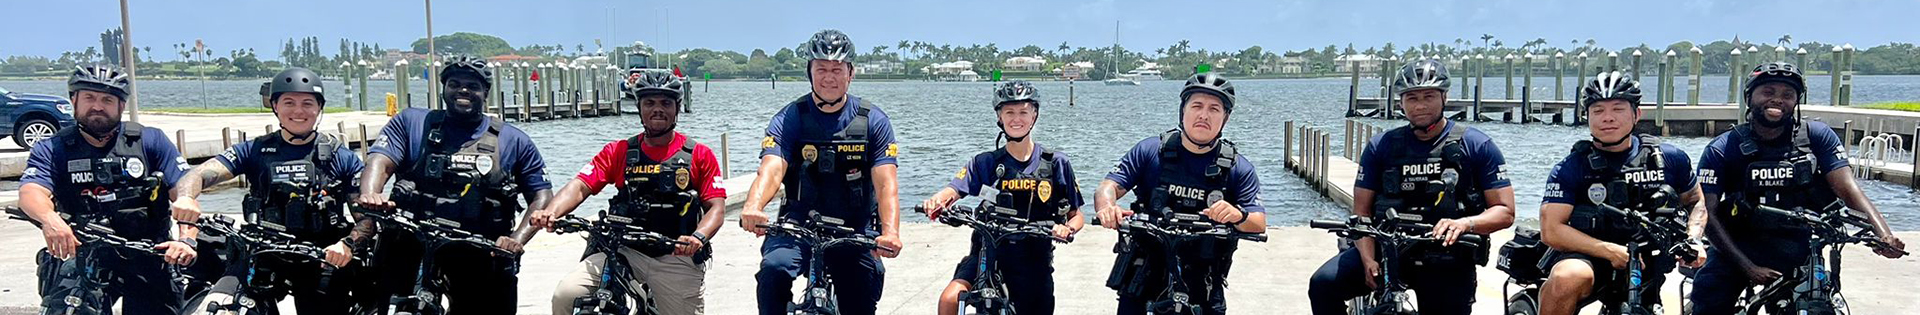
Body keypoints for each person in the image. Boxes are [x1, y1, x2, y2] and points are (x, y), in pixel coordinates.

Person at [1689, 62, 1907, 314]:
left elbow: (1848, 189)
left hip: (1799, 243)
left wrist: (1883, 235)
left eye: (1787, 95)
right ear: (1750, 98)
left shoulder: (1817, 136)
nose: (1778, 100)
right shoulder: (1722, 147)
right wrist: (1747, 267)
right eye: (1768, 92)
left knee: (1818, 305)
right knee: (1709, 297)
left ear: (1796, 101)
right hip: (1738, 245)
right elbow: (1708, 212)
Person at [1307, 59, 1516, 315]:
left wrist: (1465, 224)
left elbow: (1504, 211)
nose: (1420, 105)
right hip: (1390, 250)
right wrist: (1367, 259)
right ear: (1401, 102)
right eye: (1411, 98)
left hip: (1446, 257)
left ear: (1444, 98)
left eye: (1429, 96)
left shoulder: (1477, 145)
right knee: (1323, 284)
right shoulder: (1381, 146)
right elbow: (1361, 212)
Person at [354, 55, 553, 314]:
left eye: (472, 86)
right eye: (454, 84)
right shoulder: (411, 123)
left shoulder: (513, 139)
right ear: (443, 89)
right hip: (413, 241)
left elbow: (541, 195)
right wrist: (371, 193)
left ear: (486, 93)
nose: (463, 91)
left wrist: (516, 239)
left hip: (479, 249)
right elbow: (380, 162)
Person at [529, 69, 726, 315]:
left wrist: (698, 237)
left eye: (665, 103)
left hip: (675, 254)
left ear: (677, 108)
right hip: (624, 251)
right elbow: (580, 186)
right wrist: (550, 212)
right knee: (566, 294)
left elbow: (716, 208)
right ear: (639, 107)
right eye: (649, 103)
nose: (657, 109)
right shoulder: (619, 151)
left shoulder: (698, 154)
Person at [737, 29, 903, 315]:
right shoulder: (790, 117)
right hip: (798, 223)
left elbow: (886, 183)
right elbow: (772, 169)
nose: (829, 77)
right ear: (809, 72)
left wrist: (889, 232)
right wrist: (754, 207)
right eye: (821, 69)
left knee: (863, 292)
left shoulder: (873, 120)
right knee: (773, 272)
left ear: (851, 73)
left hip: (854, 226)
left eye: (837, 69)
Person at [20, 64, 198, 314]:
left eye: (107, 99)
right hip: (83, 253)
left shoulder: (150, 140)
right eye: (89, 98)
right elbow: (31, 192)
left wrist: (186, 237)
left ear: (121, 106)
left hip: (147, 253)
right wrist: (49, 219)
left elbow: (184, 189)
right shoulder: (53, 148)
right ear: (74, 100)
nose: (97, 106)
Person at [1535, 71, 1708, 315]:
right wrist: (1608, 250)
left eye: (1618, 109)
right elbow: (1552, 230)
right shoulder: (1571, 167)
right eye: (1598, 111)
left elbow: (1695, 200)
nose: (1607, 118)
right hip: (1590, 254)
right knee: (1566, 277)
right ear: (1587, 117)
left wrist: (1694, 239)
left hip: (1649, 256)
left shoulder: (1670, 159)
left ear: (1636, 114)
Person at [1093, 73, 1267, 314]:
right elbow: (1108, 187)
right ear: (1183, 110)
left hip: (1202, 277)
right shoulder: (1150, 151)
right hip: (1146, 272)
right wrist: (1106, 208)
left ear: (1225, 119)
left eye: (1214, 109)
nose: (1204, 115)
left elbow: (1258, 223)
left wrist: (1237, 215)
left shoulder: (1239, 168)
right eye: (1197, 106)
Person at [918, 80, 1086, 315]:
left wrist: (1066, 229)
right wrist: (938, 201)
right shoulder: (985, 162)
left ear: (1034, 116)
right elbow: (954, 189)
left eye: (1023, 112)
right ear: (1000, 117)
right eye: (1009, 112)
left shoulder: (1055, 163)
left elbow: (1077, 215)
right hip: (988, 252)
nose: (1016, 119)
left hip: (1033, 258)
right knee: (950, 299)